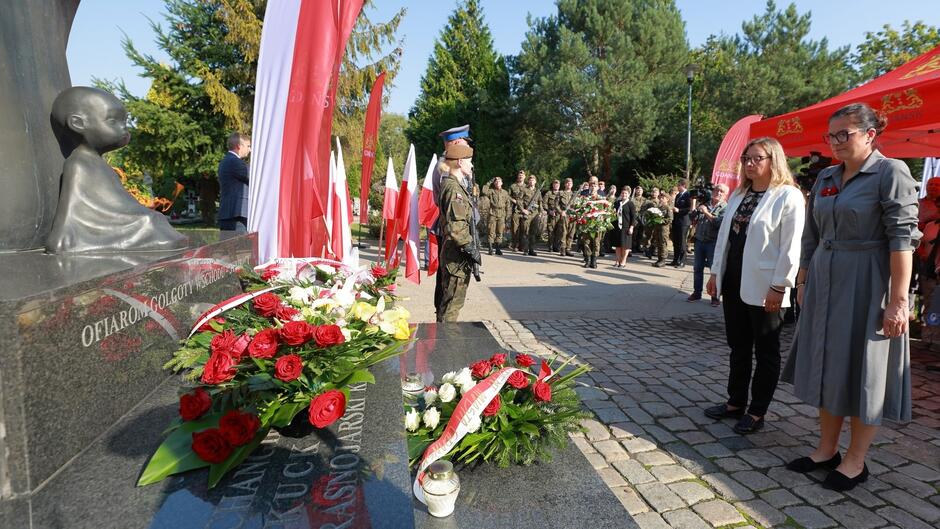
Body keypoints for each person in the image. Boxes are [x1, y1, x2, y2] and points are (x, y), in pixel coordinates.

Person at [780, 103, 920, 491]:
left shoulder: (891, 172)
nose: (836, 142)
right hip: (825, 281)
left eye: (846, 134)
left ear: (870, 134)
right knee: (829, 364)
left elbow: (902, 240)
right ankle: (826, 450)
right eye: (831, 136)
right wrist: (804, 280)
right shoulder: (826, 175)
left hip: (868, 282)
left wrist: (898, 300)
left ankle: (856, 460)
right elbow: (811, 233)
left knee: (865, 371)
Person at [704, 137, 805, 435]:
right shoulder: (739, 195)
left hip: (766, 285)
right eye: (746, 158)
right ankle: (735, 401)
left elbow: (791, 247)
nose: (749, 163)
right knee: (738, 346)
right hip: (734, 281)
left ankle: (757, 410)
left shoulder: (787, 196)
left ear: (773, 160)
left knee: (766, 350)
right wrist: (715, 273)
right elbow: (725, 239)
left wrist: (780, 285)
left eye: (757, 158)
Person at [436, 143, 481, 322]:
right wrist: (471, 249)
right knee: (452, 305)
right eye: (470, 162)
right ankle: (445, 343)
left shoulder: (454, 185)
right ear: (461, 162)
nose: (472, 165)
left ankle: (444, 339)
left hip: (456, 255)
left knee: (450, 303)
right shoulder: (454, 189)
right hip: (456, 256)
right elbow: (457, 227)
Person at [432, 124, 473, 319]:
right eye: (468, 159)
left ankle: (444, 335)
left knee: (450, 298)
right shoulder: (447, 176)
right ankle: (445, 342)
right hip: (455, 243)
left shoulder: (453, 175)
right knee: (449, 299)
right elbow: (455, 221)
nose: (471, 164)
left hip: (457, 240)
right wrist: (469, 246)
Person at [688, 184, 728, 306]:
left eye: (722, 191)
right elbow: (692, 217)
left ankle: (715, 296)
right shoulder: (705, 203)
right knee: (697, 268)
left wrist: (706, 212)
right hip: (700, 240)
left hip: (713, 242)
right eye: (716, 190)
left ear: (725, 194)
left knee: (714, 270)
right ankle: (697, 292)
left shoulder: (726, 207)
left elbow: (718, 223)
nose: (718, 193)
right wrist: (694, 205)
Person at [217, 132, 251, 232]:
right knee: (239, 247)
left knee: (229, 247)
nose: (250, 149)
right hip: (236, 215)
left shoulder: (226, 161)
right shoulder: (235, 162)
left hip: (229, 214)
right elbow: (255, 179)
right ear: (239, 146)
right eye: (248, 146)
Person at [670, 178, 692, 267]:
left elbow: (689, 208)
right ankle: (675, 260)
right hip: (676, 221)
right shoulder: (679, 195)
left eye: (679, 185)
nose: (677, 187)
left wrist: (679, 210)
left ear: (683, 185)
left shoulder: (688, 195)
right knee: (676, 241)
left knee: (682, 242)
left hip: (684, 222)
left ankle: (682, 261)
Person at [517, 175, 542, 256]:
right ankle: (525, 250)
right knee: (525, 232)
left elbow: (540, 202)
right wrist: (523, 209)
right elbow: (519, 200)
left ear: (535, 182)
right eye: (530, 180)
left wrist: (541, 211)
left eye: (533, 180)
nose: (531, 181)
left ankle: (531, 249)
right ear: (528, 181)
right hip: (526, 213)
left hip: (535, 214)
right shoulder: (524, 190)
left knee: (533, 233)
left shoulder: (538, 191)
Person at [612, 187, 637, 268]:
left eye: (626, 193)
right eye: (623, 193)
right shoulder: (617, 203)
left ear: (628, 195)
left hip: (626, 227)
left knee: (625, 245)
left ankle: (623, 261)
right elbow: (613, 213)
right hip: (617, 227)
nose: (624, 195)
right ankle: (618, 260)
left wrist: (631, 227)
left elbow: (633, 217)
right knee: (618, 245)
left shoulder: (630, 204)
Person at [486, 177, 511, 255]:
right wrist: (489, 181)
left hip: (502, 213)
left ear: (502, 183)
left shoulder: (505, 192)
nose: (497, 183)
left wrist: (507, 215)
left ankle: (498, 248)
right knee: (491, 231)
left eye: (499, 181)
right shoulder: (491, 191)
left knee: (500, 232)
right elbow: (484, 191)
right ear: (494, 183)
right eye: (496, 181)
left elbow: (508, 204)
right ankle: (490, 248)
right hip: (493, 213)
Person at [650, 193, 673, 267]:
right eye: (660, 198)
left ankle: (663, 260)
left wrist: (661, 221)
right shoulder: (659, 207)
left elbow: (670, 219)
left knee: (663, 244)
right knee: (658, 243)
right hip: (657, 228)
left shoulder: (668, 208)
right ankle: (659, 259)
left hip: (664, 229)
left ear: (667, 199)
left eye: (663, 198)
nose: (661, 199)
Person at [542, 179, 563, 252]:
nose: (556, 185)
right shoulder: (549, 193)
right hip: (552, 214)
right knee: (551, 231)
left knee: (559, 231)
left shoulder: (562, 193)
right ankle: (550, 246)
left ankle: (556, 246)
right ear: (553, 185)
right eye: (555, 184)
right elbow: (544, 203)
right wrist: (549, 211)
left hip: (560, 215)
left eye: (558, 184)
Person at [509, 171, 526, 251]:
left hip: (524, 210)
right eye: (519, 176)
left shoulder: (527, 186)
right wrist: (514, 201)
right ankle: (515, 245)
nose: (520, 177)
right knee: (515, 228)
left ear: (524, 177)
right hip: (515, 210)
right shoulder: (513, 186)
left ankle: (521, 246)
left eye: (522, 176)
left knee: (523, 228)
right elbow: (508, 196)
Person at [642, 187, 661, 258]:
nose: (654, 193)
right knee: (648, 236)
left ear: (658, 193)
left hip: (657, 222)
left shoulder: (660, 201)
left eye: (656, 192)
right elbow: (643, 210)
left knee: (656, 236)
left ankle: (653, 249)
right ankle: (647, 250)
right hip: (649, 221)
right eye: (653, 192)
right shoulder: (647, 201)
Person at [561, 178, 578, 256]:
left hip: (572, 216)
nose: (569, 184)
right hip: (564, 215)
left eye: (570, 183)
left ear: (572, 185)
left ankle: (568, 249)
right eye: (567, 183)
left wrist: (576, 212)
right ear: (565, 184)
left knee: (571, 233)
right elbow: (556, 204)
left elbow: (578, 205)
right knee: (564, 232)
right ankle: (563, 249)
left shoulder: (575, 194)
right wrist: (561, 211)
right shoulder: (561, 193)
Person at [631, 186, 646, 254]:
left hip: (642, 218)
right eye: (638, 190)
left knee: (641, 233)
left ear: (642, 191)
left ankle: (638, 246)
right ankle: (633, 247)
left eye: (640, 190)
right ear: (636, 191)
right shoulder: (632, 199)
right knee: (634, 233)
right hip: (635, 218)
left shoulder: (645, 200)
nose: (639, 191)